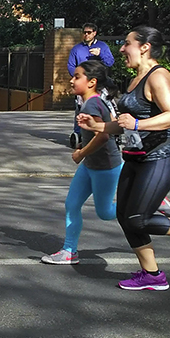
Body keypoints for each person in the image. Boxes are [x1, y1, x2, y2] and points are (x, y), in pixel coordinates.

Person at [78, 27, 170, 291]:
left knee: (137, 218)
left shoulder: (158, 76)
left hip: (161, 158)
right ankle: (152, 275)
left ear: (144, 47)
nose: (122, 49)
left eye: (127, 43)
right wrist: (97, 125)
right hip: (136, 158)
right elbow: (123, 124)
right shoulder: (135, 80)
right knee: (124, 216)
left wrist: (138, 124)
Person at [42, 60, 122, 265]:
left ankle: (148, 203)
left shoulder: (92, 103)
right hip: (90, 166)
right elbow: (104, 127)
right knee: (72, 204)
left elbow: (103, 136)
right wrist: (84, 150)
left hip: (105, 166)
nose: (71, 80)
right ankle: (69, 251)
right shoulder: (92, 101)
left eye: (77, 77)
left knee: (105, 213)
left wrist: (81, 154)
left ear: (92, 82)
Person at [68, 23, 115, 148]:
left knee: (105, 105)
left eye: (89, 32)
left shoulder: (102, 46)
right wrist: (78, 78)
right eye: (84, 32)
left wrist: (100, 54)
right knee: (80, 107)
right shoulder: (77, 49)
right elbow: (71, 65)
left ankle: (107, 128)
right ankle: (79, 133)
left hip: (100, 83)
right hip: (84, 84)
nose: (86, 35)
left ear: (94, 33)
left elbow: (110, 62)